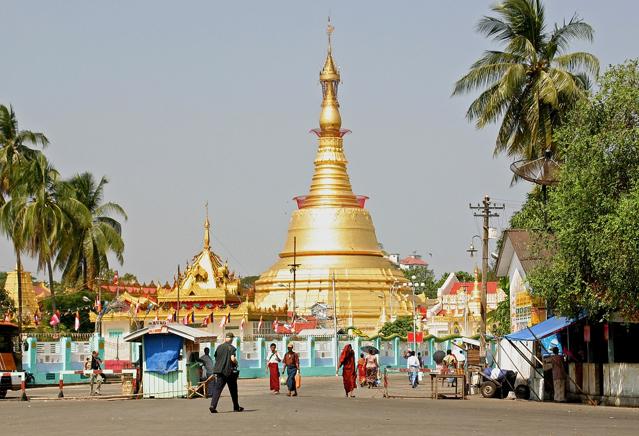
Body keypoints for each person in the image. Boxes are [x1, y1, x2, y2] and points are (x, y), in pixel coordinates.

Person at [209, 332, 243, 413]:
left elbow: (216, 357)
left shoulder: (219, 347)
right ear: (231, 339)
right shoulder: (231, 348)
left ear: (225, 338)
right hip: (229, 372)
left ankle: (212, 406)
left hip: (219, 371)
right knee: (233, 390)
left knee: (217, 389)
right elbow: (232, 359)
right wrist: (236, 363)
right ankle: (236, 407)